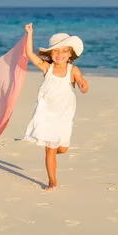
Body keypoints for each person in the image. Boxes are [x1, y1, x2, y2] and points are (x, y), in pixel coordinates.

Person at [23, 23, 88, 191]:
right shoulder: (47, 68)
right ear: (50, 53)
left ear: (70, 54)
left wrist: (82, 85)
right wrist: (30, 33)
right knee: (50, 150)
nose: (60, 54)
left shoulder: (73, 70)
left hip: (64, 116)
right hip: (47, 115)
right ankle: (52, 181)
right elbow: (29, 54)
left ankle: (52, 152)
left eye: (64, 51)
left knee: (63, 149)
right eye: (56, 50)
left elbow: (83, 87)